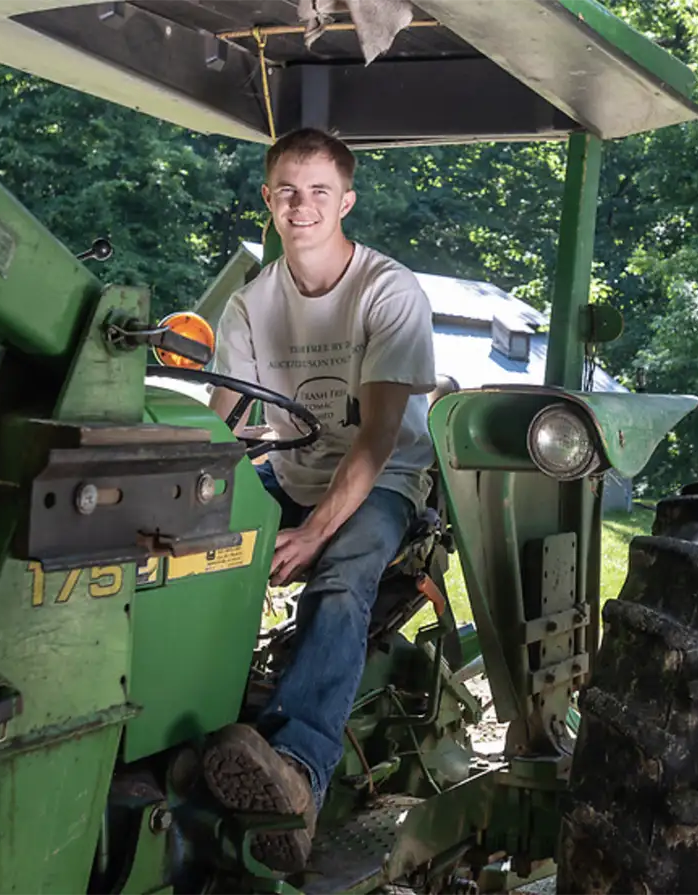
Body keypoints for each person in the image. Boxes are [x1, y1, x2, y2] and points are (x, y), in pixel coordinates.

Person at [203, 128, 436, 874]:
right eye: (287, 191)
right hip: (292, 469)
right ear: (268, 198)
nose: (301, 206)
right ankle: (203, 718)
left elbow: (375, 441)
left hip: (387, 477)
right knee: (193, 549)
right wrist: (192, 498)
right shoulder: (248, 305)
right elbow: (226, 421)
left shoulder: (387, 290)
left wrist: (311, 535)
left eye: (319, 192)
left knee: (340, 575)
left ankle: (298, 771)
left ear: (347, 201)